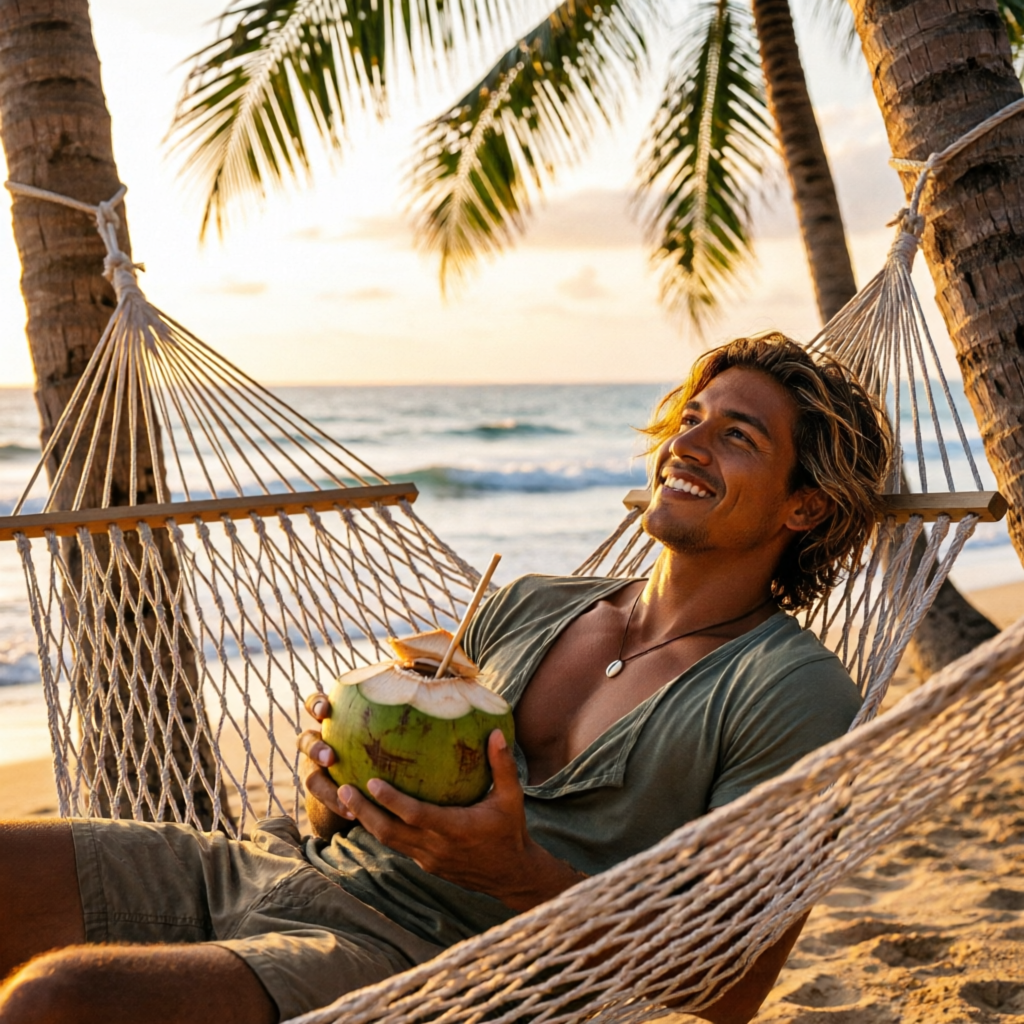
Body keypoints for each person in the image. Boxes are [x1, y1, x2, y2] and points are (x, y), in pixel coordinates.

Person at [0, 334, 891, 1024]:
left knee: (57, 1003)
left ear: (804, 505)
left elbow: (729, 989)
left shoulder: (792, 692)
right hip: (273, 866)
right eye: (691, 419)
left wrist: (513, 872)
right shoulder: (534, 600)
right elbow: (361, 801)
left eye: (737, 437)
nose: (690, 445)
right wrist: (336, 786)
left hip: (427, 961)